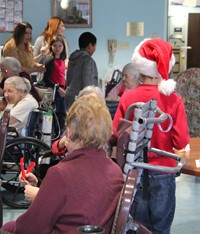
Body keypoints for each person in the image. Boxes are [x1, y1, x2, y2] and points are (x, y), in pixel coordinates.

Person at [0, 95, 124, 234]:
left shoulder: (60, 174)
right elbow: (79, 203)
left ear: (69, 133)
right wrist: (43, 192)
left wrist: (41, 196)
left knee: (9, 227)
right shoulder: (115, 171)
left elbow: (30, 228)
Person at [113, 38, 189, 234]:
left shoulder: (128, 97)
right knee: (160, 228)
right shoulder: (174, 99)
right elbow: (181, 142)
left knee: (136, 227)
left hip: (134, 173)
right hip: (163, 171)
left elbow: (116, 134)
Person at [65, 32, 98, 110]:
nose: (95, 49)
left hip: (70, 96)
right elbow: (88, 83)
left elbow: (68, 80)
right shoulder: (88, 60)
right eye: (94, 45)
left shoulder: (72, 59)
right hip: (81, 99)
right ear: (90, 46)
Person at [42, 35, 67, 131]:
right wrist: (57, 88)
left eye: (60, 46)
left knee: (61, 117)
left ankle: (59, 138)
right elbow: (46, 79)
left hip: (61, 92)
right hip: (53, 92)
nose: (57, 48)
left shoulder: (62, 61)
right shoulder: (50, 61)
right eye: (55, 46)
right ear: (51, 47)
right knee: (52, 118)